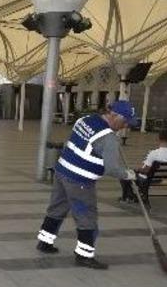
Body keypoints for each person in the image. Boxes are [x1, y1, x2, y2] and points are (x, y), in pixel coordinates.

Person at [35, 101, 138, 270]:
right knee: (87, 217)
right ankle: (84, 255)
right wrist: (128, 174)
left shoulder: (86, 119)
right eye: (125, 121)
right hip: (80, 180)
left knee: (57, 207)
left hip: (62, 171)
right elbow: (112, 169)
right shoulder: (109, 139)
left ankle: (44, 242)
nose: (126, 126)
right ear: (113, 115)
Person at [120, 129, 167, 202]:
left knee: (124, 175)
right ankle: (136, 196)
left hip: (153, 179)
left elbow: (145, 170)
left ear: (158, 138)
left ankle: (130, 196)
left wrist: (137, 169)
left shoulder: (154, 153)